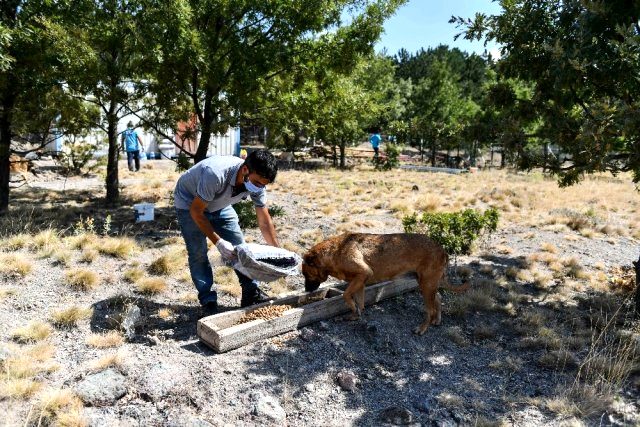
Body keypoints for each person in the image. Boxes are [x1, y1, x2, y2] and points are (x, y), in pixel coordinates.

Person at [174, 149, 280, 315]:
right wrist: (218, 241)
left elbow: (264, 221)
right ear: (245, 170)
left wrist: (278, 252)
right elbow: (196, 212)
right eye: (258, 183)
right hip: (189, 203)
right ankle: (208, 300)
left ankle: (251, 292)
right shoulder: (215, 174)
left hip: (219, 204)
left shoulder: (257, 183)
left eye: (263, 185)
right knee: (198, 253)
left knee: (240, 247)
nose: (259, 188)